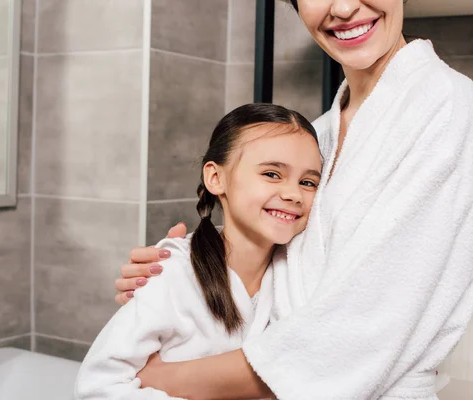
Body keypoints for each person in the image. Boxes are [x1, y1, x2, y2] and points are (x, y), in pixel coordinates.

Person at [114, 1, 473, 399]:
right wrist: (190, 266)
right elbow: (303, 255)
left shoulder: (444, 102)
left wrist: (162, 378)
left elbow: (362, 329)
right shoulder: (323, 132)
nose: (346, 7)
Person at [74, 104, 322, 399]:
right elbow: (96, 385)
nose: (293, 194)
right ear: (216, 178)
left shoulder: (296, 275)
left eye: (308, 182)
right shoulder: (174, 272)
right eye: (271, 174)